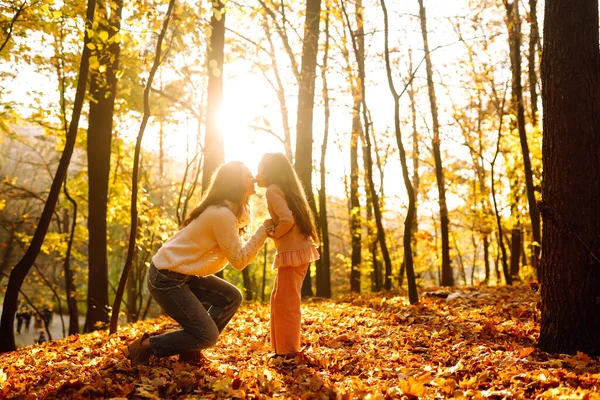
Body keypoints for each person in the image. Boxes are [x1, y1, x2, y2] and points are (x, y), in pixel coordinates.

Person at [125, 161, 272, 367]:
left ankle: (190, 350)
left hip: (181, 274)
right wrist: (263, 231)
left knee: (231, 297)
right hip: (165, 278)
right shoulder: (221, 214)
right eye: (248, 175)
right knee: (208, 336)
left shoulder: (229, 212)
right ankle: (144, 345)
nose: (254, 178)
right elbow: (239, 260)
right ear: (235, 183)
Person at [255, 152, 320, 358]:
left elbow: (287, 220)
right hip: (295, 251)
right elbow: (287, 217)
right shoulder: (282, 189)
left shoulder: (273, 190)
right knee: (279, 299)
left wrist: (272, 232)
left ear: (271, 172)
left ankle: (288, 351)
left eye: (260, 170)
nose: (257, 175)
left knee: (287, 302)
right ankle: (280, 348)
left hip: (292, 253)